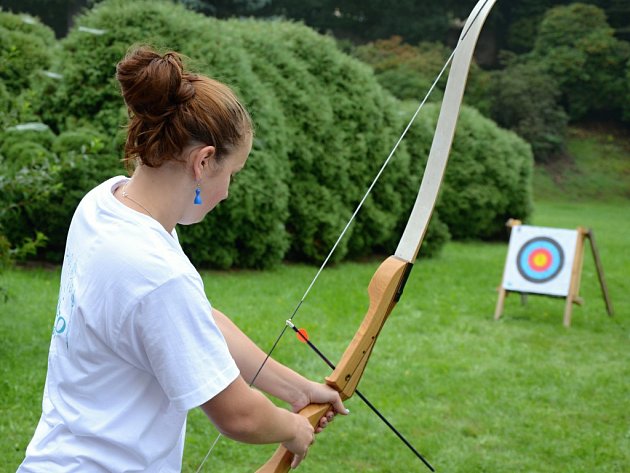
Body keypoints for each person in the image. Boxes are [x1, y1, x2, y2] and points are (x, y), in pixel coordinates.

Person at [18, 45, 346, 472]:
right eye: (231, 174)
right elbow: (238, 415)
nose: (226, 192)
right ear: (203, 161)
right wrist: (291, 428)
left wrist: (297, 390)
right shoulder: (156, 272)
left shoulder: (107, 203)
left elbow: (200, 320)